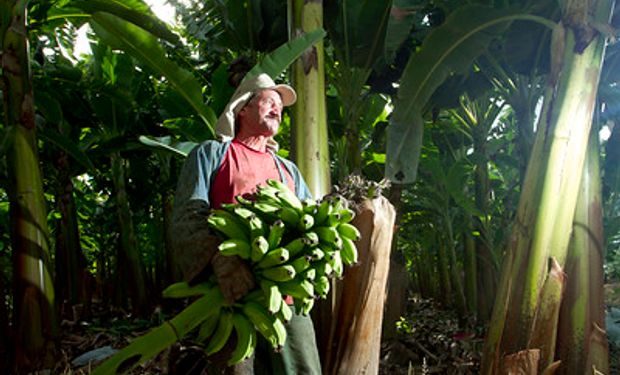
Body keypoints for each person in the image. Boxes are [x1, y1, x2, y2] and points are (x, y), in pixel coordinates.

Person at [170, 73, 322, 375]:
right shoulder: (212, 154)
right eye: (270, 102)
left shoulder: (288, 169)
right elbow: (188, 215)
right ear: (243, 108)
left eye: (281, 106)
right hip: (228, 294)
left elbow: (312, 223)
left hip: (285, 297)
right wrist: (219, 257)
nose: (277, 109)